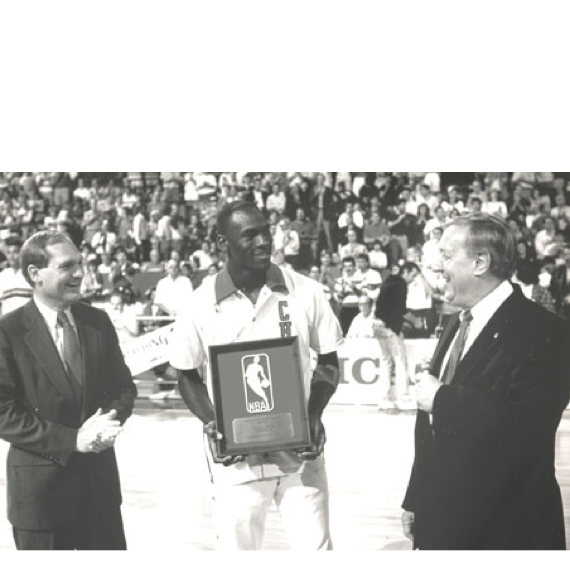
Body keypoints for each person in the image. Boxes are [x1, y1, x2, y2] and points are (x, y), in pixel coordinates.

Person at [169, 201, 343, 552]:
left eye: (266, 231)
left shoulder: (305, 290)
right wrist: (213, 423)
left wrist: (313, 415)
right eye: (250, 235)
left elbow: (328, 361)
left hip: (300, 449)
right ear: (222, 243)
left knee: (316, 546)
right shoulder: (200, 302)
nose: (264, 241)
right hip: (237, 459)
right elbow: (186, 374)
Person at [404, 214, 570, 551]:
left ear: (480, 262)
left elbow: (528, 429)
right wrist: (416, 496)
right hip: (443, 522)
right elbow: (431, 430)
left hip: (507, 530)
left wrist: (443, 399)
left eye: (447, 256)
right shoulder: (454, 323)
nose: (438, 267)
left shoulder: (546, 331)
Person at [0, 231, 137, 551]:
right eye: (66, 267)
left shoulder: (97, 322)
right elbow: (3, 412)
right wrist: (72, 440)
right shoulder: (8, 332)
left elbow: (123, 387)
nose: (79, 273)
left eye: (80, 264)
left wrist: (109, 420)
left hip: (99, 493)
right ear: (35, 274)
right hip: (40, 498)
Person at [374, 264, 415, 411]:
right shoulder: (401, 284)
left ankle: (385, 398)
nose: (413, 279)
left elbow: (381, 304)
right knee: (400, 361)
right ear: (406, 272)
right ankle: (404, 397)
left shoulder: (387, 282)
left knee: (386, 362)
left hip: (377, 325)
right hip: (390, 327)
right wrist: (397, 328)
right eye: (413, 274)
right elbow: (398, 308)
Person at [0, 238, 33, 315]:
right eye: (8, 253)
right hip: (8, 323)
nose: (11, 256)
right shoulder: (3, 276)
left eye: (15, 252)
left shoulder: (31, 274)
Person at [334, 256, 361, 335]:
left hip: (357, 308)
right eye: (345, 266)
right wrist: (343, 292)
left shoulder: (360, 278)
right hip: (345, 309)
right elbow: (338, 297)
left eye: (350, 266)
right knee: (345, 332)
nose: (348, 268)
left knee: (357, 333)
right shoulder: (340, 280)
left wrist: (354, 287)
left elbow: (362, 295)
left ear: (354, 267)